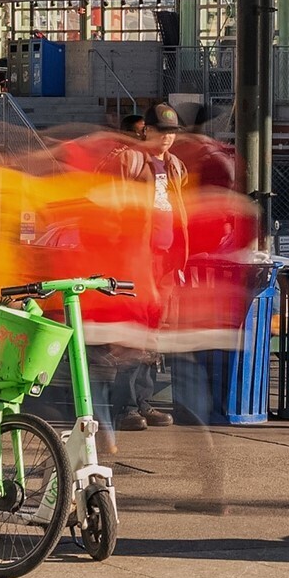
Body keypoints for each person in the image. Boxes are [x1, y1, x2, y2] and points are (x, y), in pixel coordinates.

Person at [97, 102, 189, 431]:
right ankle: (124, 406)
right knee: (131, 334)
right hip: (137, 260)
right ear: (146, 130)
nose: (167, 137)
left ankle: (143, 401)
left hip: (165, 261)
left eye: (173, 131)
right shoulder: (131, 161)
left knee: (154, 334)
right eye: (161, 130)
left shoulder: (175, 167)